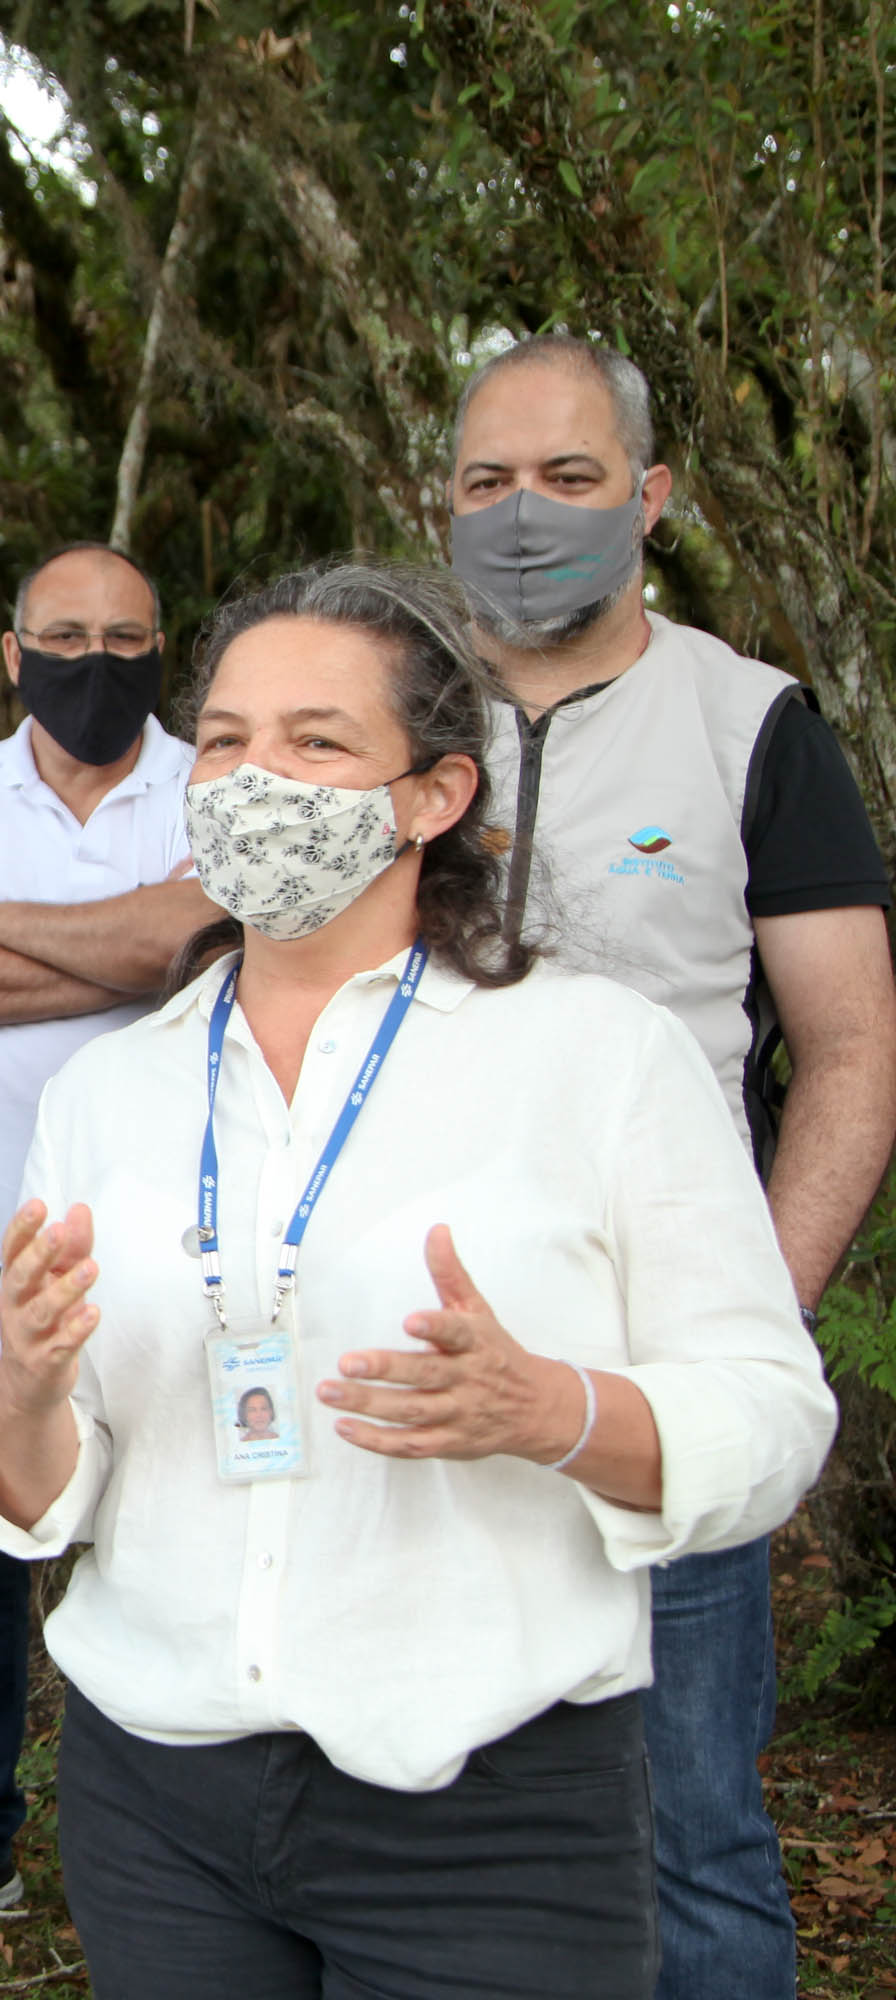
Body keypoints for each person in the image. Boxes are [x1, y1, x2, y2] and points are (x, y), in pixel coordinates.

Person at [0, 559, 835, 1999]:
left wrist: (553, 1412)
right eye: (225, 739)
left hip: (489, 1816)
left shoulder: (599, 1055)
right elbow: (33, 1489)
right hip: (157, 1801)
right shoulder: (110, 1090)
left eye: (317, 740)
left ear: (434, 796)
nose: (256, 777)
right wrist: (31, 1390)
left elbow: (773, 1416)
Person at [448, 333, 896, 1998]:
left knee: (688, 1833)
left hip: (658, 1378)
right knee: (437, 1832)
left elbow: (851, 1052)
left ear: (650, 498)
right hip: (420, 1360)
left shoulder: (748, 723)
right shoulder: (387, 710)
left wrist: (751, 1329)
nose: (526, 514)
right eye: (489, 481)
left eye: (569, 477)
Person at [0, 540, 213, 1941]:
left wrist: (1, 930)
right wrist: (127, 947)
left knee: (179, 1533)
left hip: (178, 1241)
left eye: (126, 639)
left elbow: (211, 946)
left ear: (162, 650)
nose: (95, 663)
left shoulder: (215, 780)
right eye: (65, 636)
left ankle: (182, 1845)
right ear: (13, 653)